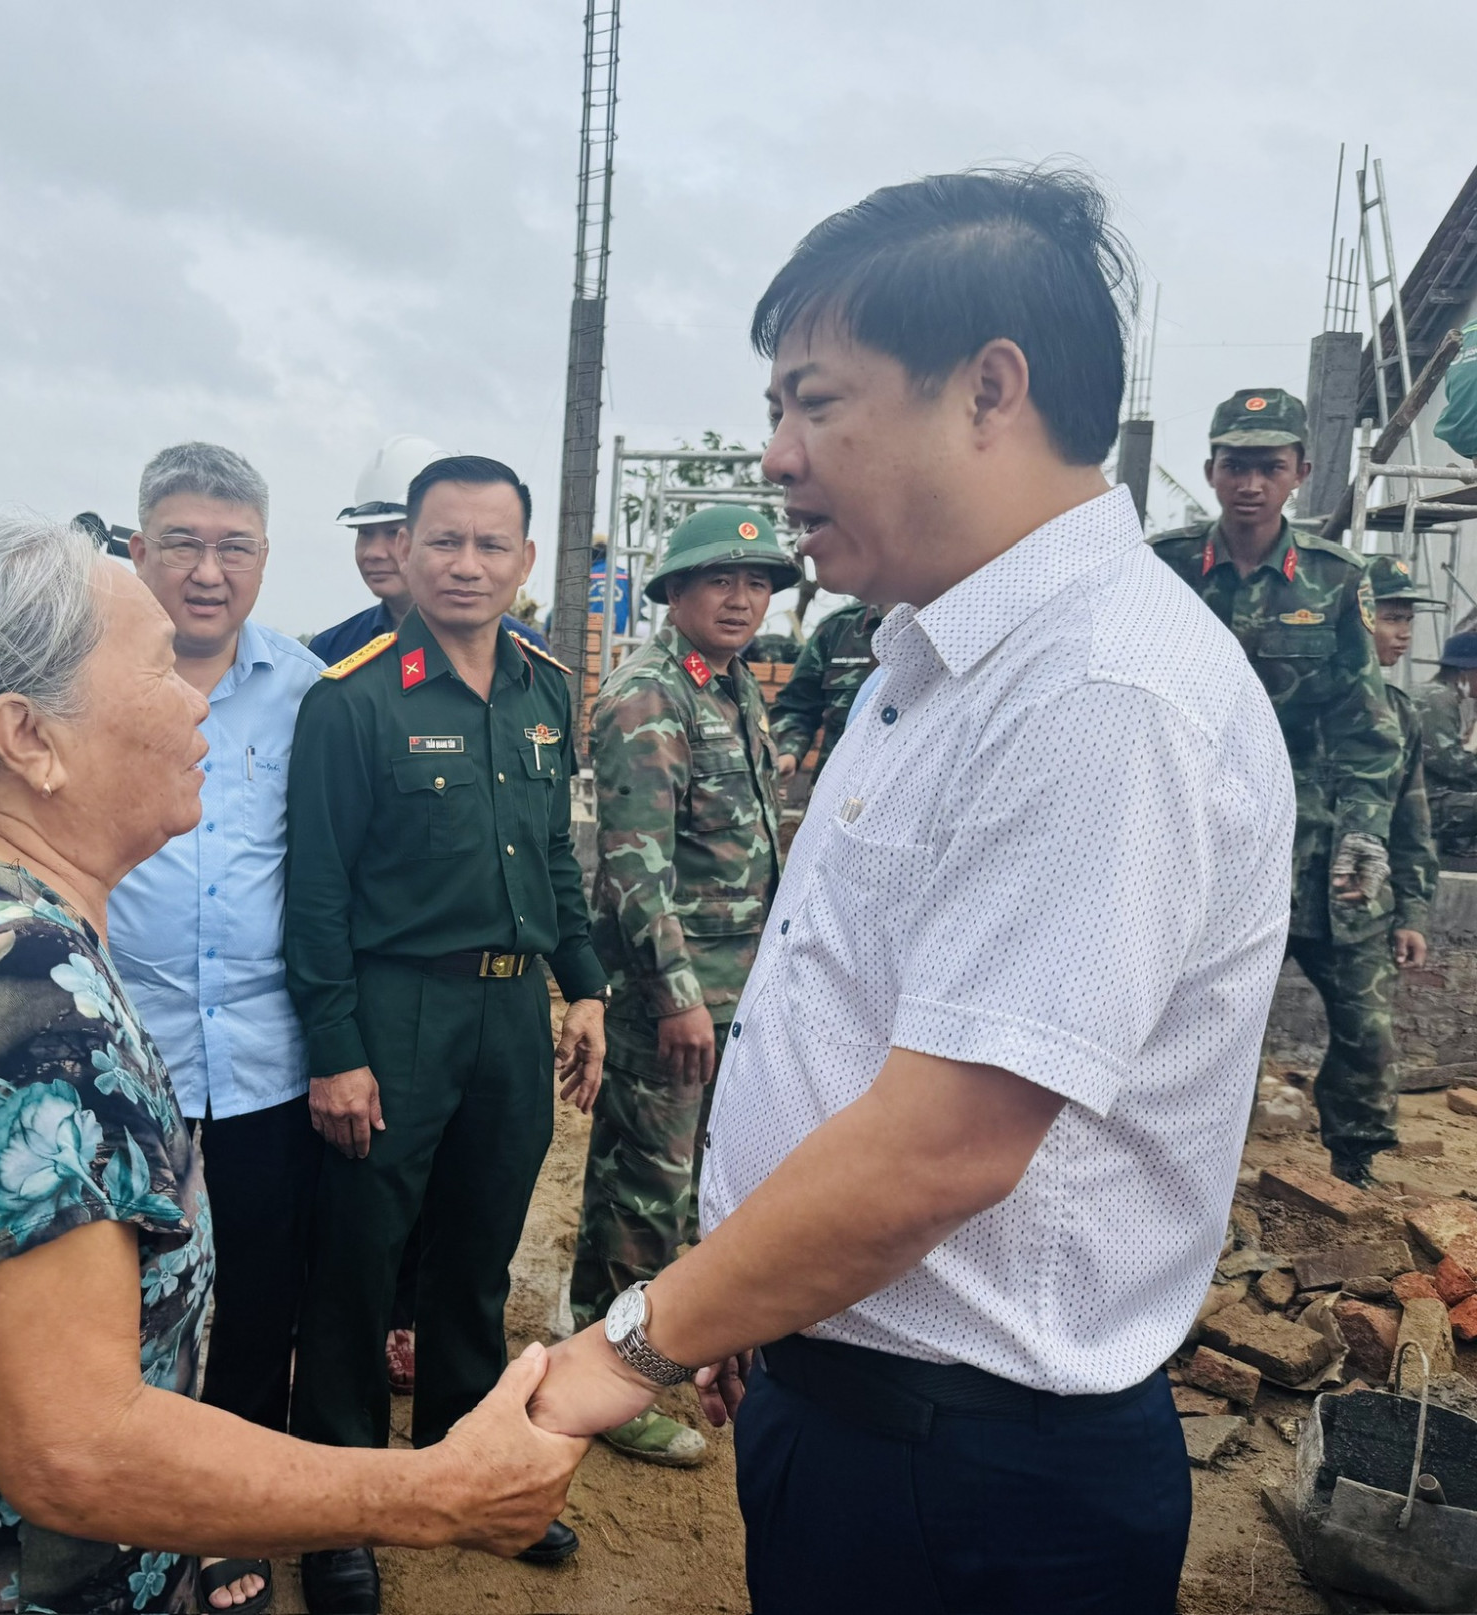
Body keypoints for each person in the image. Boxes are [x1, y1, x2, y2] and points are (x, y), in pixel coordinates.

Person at [522, 166, 1296, 1615]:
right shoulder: (937, 659)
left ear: (988, 388)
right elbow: (847, 1007)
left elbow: (943, 1145)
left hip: (972, 1472)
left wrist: (632, 1343)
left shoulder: (1099, 694)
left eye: (816, 400)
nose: (778, 456)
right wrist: (768, 1299)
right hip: (862, 1388)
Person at [0, 512, 585, 1615]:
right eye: (159, 664)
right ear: (28, 737)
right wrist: (432, 1494)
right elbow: (80, 1450)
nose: (195, 699)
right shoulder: (22, 1010)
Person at [285, 454, 609, 1613]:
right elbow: (314, 897)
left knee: (479, 1259)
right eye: (443, 543)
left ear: (525, 562)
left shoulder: (541, 686)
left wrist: (584, 988)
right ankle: (346, 1510)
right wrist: (335, 1048)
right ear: (402, 553)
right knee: (358, 1269)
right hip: (396, 1009)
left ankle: (483, 1485)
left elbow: (553, 863)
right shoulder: (354, 697)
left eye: (490, 546)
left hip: (510, 1015)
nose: (466, 566)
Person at [105, 444, 326, 1613]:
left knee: (252, 1302)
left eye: (231, 546)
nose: (205, 569)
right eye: (181, 542)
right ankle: (119, 1511)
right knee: (114, 1303)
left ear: (261, 558)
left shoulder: (303, 692)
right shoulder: (79, 681)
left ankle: (225, 1517)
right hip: (117, 1057)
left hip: (260, 1064)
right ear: (139, 550)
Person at [566, 504, 793, 1469]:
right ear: (675, 592)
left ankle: (669, 1337)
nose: (741, 599)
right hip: (677, 993)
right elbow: (631, 865)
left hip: (737, 986)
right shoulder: (649, 695)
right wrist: (675, 994)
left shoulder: (732, 687)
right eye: (719, 582)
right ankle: (612, 1376)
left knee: (702, 1178)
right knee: (643, 1184)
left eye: (757, 584)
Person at [1152, 389, 1406, 1186]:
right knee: (1199, 1016)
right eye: (1236, 464)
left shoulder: (1336, 580)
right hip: (1194, 832)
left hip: (1314, 835)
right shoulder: (1159, 567)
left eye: (1269, 465)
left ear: (1300, 470)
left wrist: (1365, 832)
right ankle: (1185, 1168)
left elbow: (1371, 730)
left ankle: (1354, 1161)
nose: (1251, 483)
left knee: (1364, 1018)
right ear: (1211, 471)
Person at [308, 435, 548, 663]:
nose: (374, 552)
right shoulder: (332, 650)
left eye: (392, 532)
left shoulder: (525, 653)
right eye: (365, 533)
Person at [1364, 554, 1440, 969]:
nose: (1405, 634)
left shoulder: (1400, 712)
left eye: (1408, 620)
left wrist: (1413, 915)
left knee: (1372, 1035)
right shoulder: (1299, 699)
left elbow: (1412, 823)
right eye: (1392, 618)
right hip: (1274, 904)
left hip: (1359, 912)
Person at [768, 591, 883, 786]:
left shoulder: (947, 632)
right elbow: (796, 705)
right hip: (833, 793)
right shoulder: (840, 627)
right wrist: (789, 750)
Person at [1416, 630, 1477, 862]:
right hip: (1421, 806)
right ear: (1466, 672)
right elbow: (1449, 765)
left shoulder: (1441, 696)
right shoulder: (1436, 698)